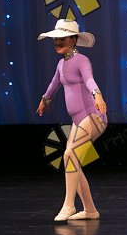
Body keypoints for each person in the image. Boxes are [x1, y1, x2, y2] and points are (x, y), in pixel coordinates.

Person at [37, 19, 107, 222]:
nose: (58, 42)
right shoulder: (61, 64)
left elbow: (89, 79)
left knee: (70, 154)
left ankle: (68, 205)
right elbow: (54, 84)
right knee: (72, 160)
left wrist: (97, 95)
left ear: (74, 40)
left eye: (63, 39)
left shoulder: (82, 60)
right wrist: (45, 100)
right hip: (78, 120)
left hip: (93, 116)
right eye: (56, 39)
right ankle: (90, 210)